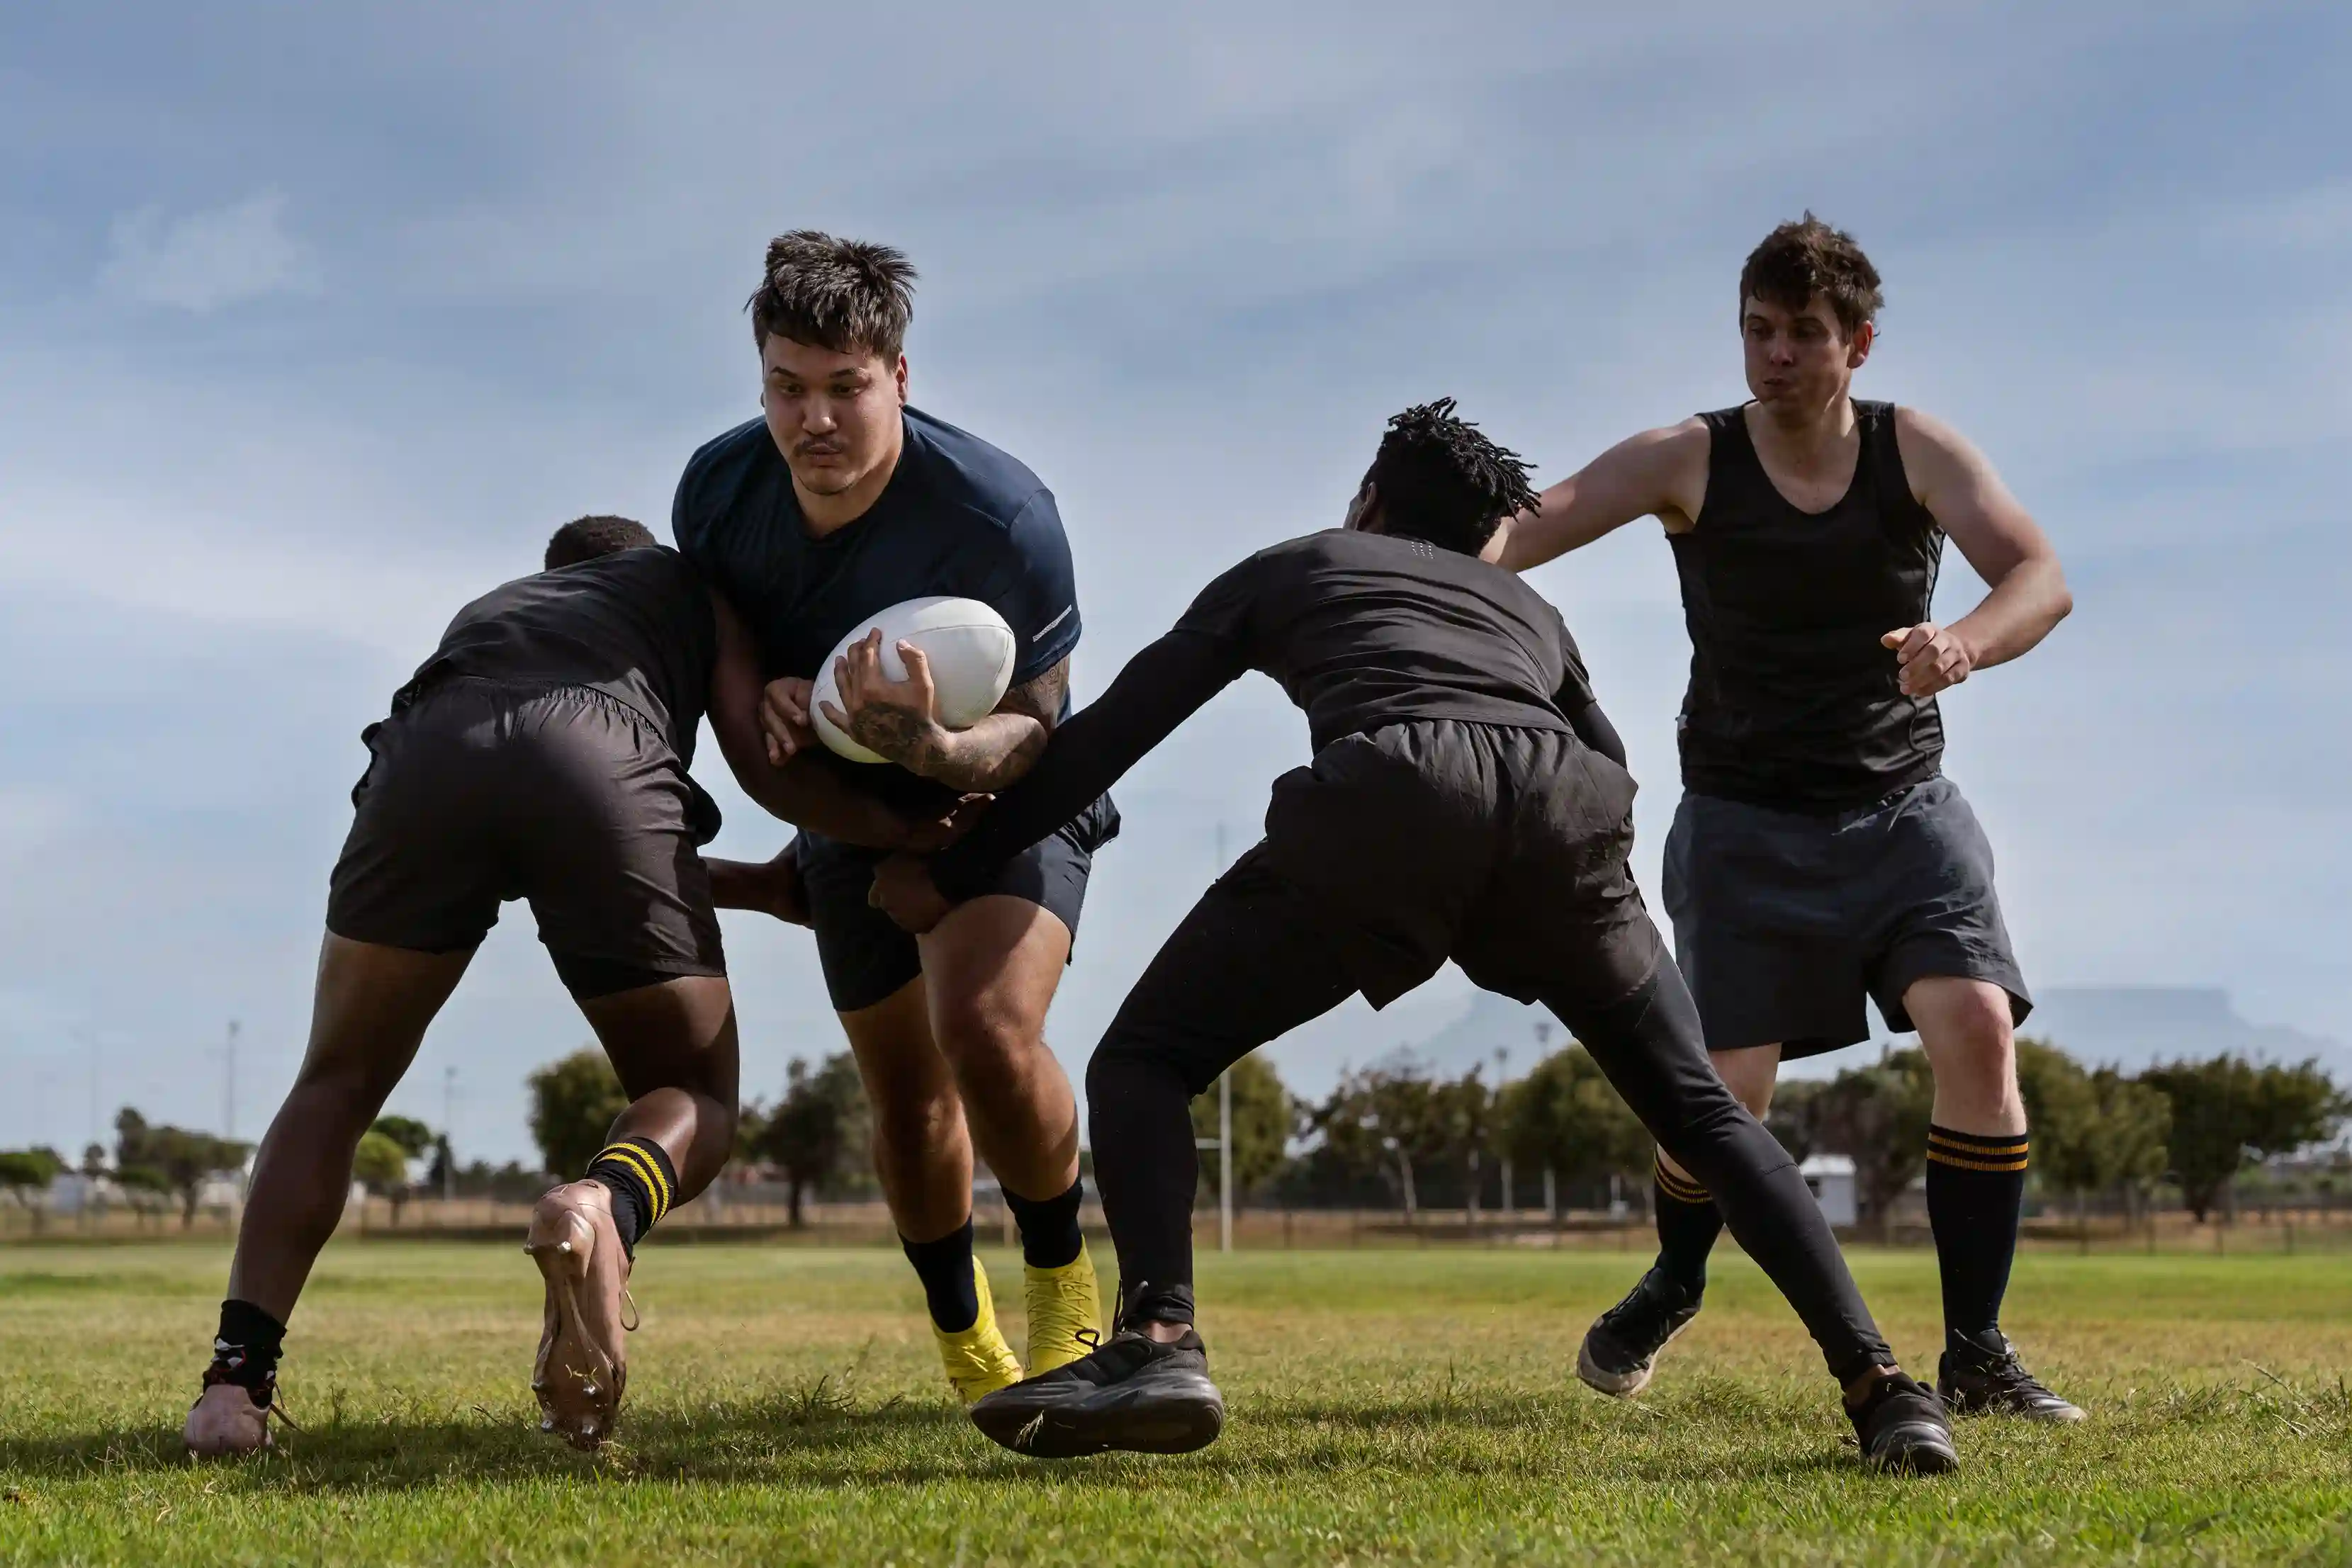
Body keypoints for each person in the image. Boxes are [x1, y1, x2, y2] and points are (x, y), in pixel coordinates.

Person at [870, 401, 1958, 1474]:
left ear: (1369, 501)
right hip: (1566, 808)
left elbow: (1104, 738)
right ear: (1487, 541)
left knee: (1146, 1062)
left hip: (1396, 790)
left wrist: (948, 864)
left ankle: (1158, 1344)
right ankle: (1883, 1389)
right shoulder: (1528, 612)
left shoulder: (1301, 563)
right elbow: (1606, 750)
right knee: (1706, 1113)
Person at [184, 515, 935, 1457]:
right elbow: (750, 768)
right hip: (599, 757)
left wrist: (744, 889)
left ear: (558, 575)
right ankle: (604, 1206)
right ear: (641, 558)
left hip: (426, 755)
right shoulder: (684, 583)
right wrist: (902, 835)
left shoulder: (494, 609)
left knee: (333, 1083)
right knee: (692, 1093)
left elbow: (526, 815)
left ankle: (232, 1385)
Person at [1499, 215, 2078, 1421]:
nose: (1774, 357)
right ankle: (1672, 1277)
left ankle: (1973, 1348)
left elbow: (2038, 575)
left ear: (1856, 343)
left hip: (1902, 807)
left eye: (1802, 335)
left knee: (1975, 1027)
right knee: (1727, 1095)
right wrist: (1396, 561)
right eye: (1757, 332)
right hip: (1743, 819)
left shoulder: (1911, 448)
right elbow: (1532, 525)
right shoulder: (1686, 458)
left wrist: (1961, 642)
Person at [675, 232, 1115, 1404]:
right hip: (844, 808)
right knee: (907, 1098)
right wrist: (782, 694)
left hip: (1006, 793)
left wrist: (932, 748)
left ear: (900, 379)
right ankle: (965, 1335)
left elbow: (1037, 719)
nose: (812, 420)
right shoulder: (719, 494)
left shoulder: (1003, 514)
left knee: (980, 1029)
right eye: (785, 387)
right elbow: (743, 693)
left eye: (845, 388)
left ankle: (1067, 1291)